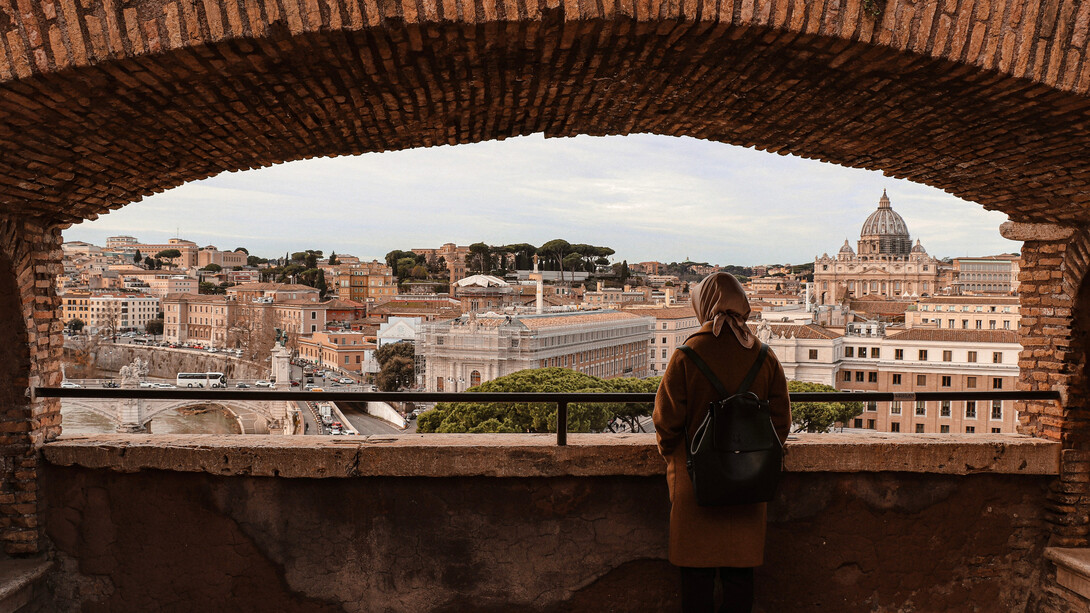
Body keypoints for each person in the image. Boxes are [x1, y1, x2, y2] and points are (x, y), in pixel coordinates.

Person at [653, 272, 792, 613]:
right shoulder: (764, 356)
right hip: (748, 481)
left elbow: (666, 423)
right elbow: (781, 422)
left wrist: (676, 454)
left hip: (696, 484)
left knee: (695, 582)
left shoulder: (686, 355)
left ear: (703, 304)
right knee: (739, 580)